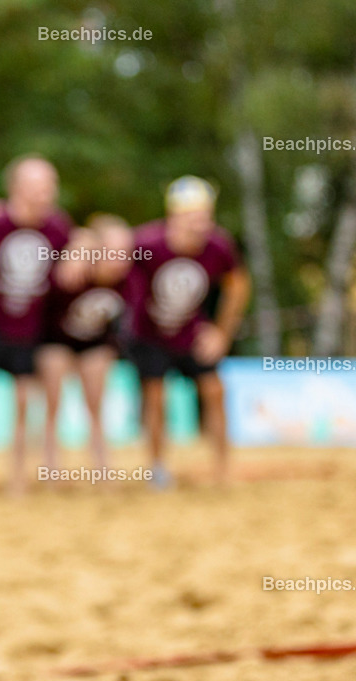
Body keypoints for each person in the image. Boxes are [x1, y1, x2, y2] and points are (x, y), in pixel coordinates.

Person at [0, 155, 73, 495]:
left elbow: (79, 247)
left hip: (26, 326)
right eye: (39, 186)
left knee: (24, 402)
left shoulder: (58, 227)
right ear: (17, 189)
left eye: (50, 186)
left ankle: (18, 476)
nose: (47, 194)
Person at [124, 176, 251, 486]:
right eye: (193, 216)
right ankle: (158, 469)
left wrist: (221, 332)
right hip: (148, 334)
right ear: (174, 216)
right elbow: (117, 275)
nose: (201, 222)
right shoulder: (146, 244)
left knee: (214, 390)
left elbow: (238, 284)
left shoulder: (218, 245)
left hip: (192, 332)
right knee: (155, 397)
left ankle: (223, 470)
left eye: (205, 215)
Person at [38, 215, 134, 480]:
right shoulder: (70, 270)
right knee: (52, 400)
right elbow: (66, 233)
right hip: (56, 339)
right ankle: (51, 469)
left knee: (96, 401)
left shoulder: (129, 279)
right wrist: (79, 245)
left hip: (96, 341)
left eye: (125, 254)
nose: (120, 260)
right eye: (113, 254)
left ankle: (102, 468)